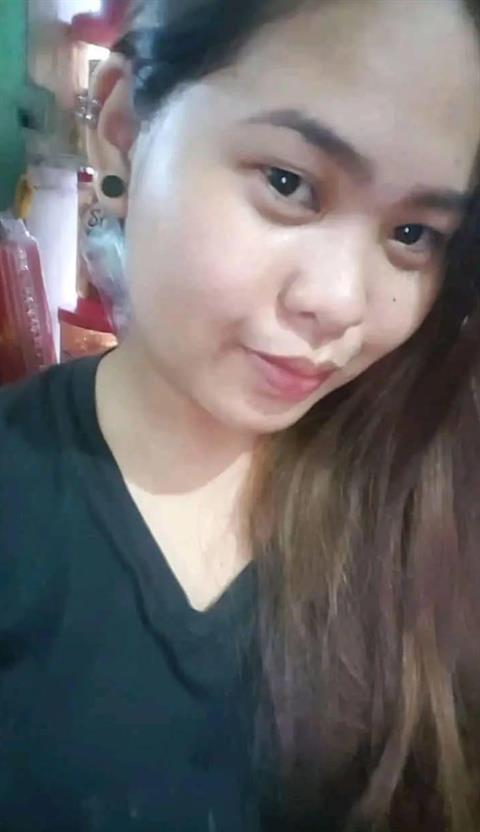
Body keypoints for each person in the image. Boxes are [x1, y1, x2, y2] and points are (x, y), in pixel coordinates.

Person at [1, 0, 480, 829]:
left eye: (412, 234)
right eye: (288, 184)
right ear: (123, 128)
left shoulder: (441, 501)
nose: (339, 302)